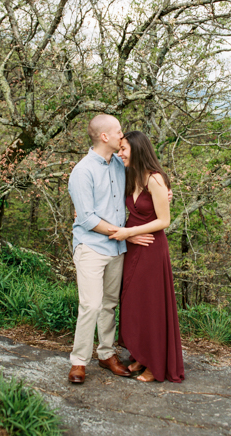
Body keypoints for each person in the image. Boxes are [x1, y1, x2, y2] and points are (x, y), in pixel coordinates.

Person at [66, 115, 155, 384]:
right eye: (118, 131)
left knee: (109, 305)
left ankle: (106, 355)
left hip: (117, 250)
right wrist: (125, 235)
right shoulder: (82, 172)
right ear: (105, 137)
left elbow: (146, 182)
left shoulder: (120, 164)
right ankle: (79, 362)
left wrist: (163, 192)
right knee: (90, 305)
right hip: (91, 247)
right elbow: (87, 219)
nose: (122, 135)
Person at [108, 130, 185, 383]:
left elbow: (164, 220)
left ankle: (155, 365)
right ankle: (140, 354)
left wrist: (129, 231)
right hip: (132, 247)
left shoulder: (155, 179)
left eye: (124, 150)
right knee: (133, 302)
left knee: (151, 306)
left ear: (138, 150)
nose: (120, 154)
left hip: (152, 248)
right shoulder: (131, 175)